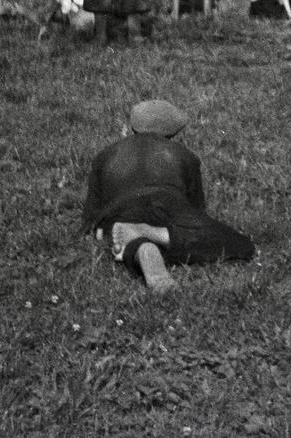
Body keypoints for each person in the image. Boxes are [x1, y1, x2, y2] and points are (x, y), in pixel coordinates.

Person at [82, 99, 255, 295]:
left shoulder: (104, 155)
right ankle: (152, 234)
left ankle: (142, 248)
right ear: (173, 133)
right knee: (239, 245)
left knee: (121, 234)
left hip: (120, 211)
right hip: (167, 204)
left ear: (132, 127)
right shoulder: (185, 155)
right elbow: (197, 210)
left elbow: (91, 216)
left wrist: (101, 231)